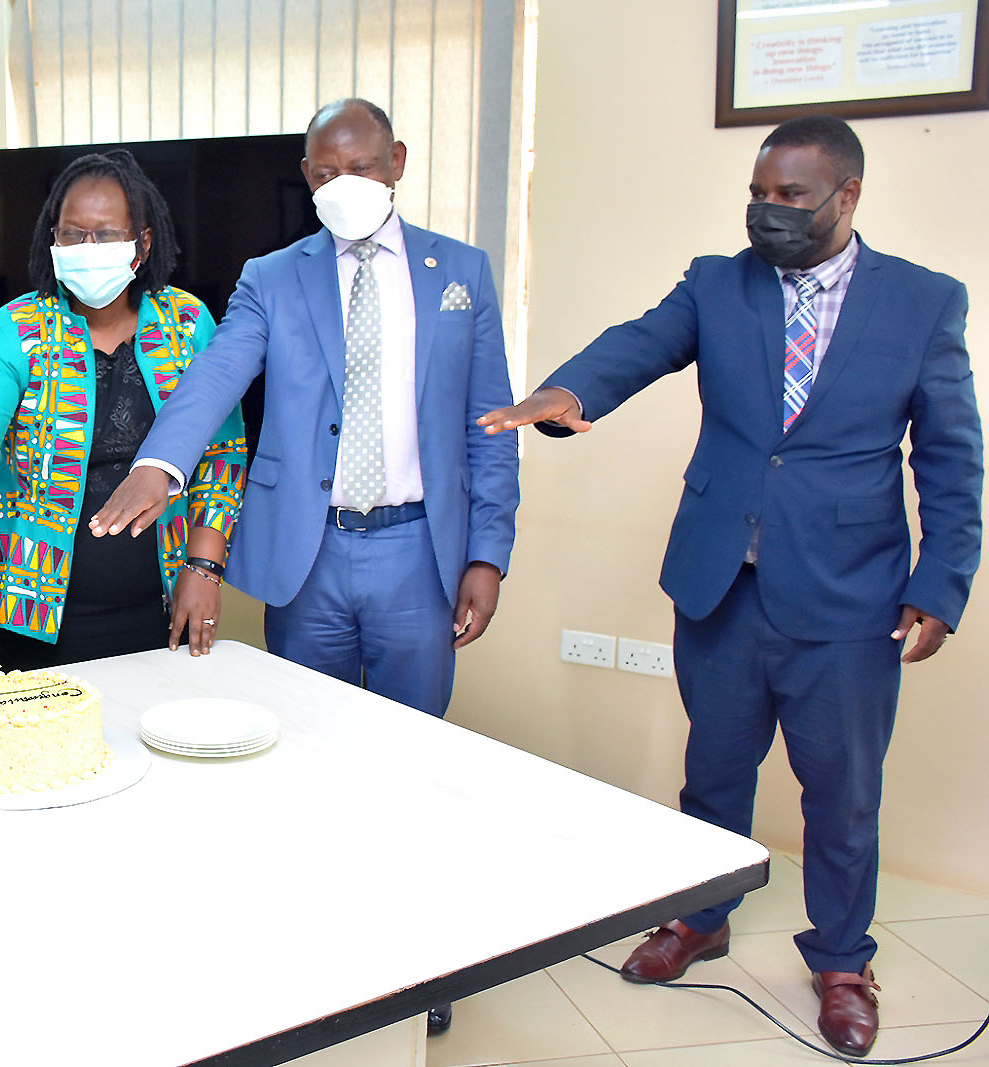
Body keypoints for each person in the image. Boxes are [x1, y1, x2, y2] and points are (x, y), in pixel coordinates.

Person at [477, 115, 982, 1058]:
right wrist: (563, 394)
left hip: (849, 593)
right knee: (714, 768)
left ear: (848, 197)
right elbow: (636, 345)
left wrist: (940, 581)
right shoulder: (717, 282)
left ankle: (841, 959)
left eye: (791, 196)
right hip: (720, 583)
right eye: (758, 193)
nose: (768, 211)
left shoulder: (921, 302)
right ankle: (700, 915)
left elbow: (952, 459)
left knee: (841, 792)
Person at [87, 99, 521, 1035]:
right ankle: (320, 950)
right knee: (303, 763)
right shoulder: (272, 277)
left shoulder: (463, 273)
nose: (341, 189)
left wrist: (488, 552)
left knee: (412, 766)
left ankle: (420, 957)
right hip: (309, 555)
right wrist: (161, 464)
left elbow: (491, 428)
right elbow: (214, 380)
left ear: (398, 162)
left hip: (419, 551)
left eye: (358, 169)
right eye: (322, 175)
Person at [0, 149, 246, 670]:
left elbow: (221, 454)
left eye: (104, 235)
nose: (86, 248)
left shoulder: (188, 323)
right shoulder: (14, 330)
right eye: (71, 234)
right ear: (52, 241)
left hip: (164, 601)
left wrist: (204, 568)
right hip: (30, 616)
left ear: (141, 244)